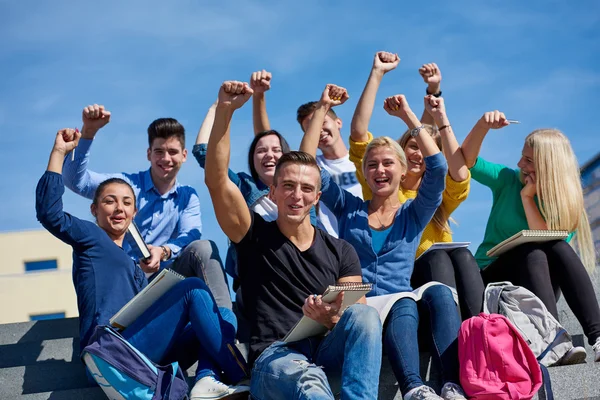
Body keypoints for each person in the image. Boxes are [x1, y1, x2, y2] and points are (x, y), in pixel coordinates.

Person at [36, 129, 248, 399]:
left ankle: (206, 379)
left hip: (146, 352)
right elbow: (48, 212)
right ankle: (242, 373)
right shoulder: (91, 237)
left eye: (126, 203)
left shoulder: (133, 263)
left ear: (134, 213)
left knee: (225, 315)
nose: (118, 208)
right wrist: (58, 153)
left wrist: (143, 276)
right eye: (109, 201)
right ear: (94, 209)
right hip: (111, 352)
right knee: (193, 288)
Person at [205, 80, 382, 400]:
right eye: (287, 186)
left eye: (305, 188)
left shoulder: (341, 250)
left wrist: (330, 318)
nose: (296, 195)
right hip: (276, 358)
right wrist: (226, 113)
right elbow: (216, 180)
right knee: (309, 381)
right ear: (272, 192)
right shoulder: (251, 233)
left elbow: (358, 316)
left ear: (317, 197)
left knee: (365, 315)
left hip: (325, 352)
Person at [300, 83, 466, 400]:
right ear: (364, 172)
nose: (380, 169)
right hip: (360, 309)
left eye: (388, 163)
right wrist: (321, 108)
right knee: (404, 300)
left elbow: (439, 167)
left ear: (402, 171)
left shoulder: (413, 212)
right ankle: (414, 387)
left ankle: (450, 383)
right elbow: (307, 165)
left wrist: (408, 117)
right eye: (372, 164)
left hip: (401, 314)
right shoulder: (349, 209)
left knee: (438, 292)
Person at [348, 51, 483, 320]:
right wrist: (377, 73)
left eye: (426, 151)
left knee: (463, 256)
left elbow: (457, 173)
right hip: (404, 280)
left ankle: (479, 329)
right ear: (400, 150)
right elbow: (359, 135)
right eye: (413, 146)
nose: (419, 154)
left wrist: (436, 103)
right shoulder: (383, 185)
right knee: (437, 259)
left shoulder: (437, 194)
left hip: (445, 274)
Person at [62, 105, 232, 313]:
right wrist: (88, 133)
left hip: (167, 279)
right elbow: (74, 181)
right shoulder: (124, 186)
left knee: (204, 247)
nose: (166, 159)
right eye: (159, 152)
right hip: (125, 278)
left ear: (184, 155)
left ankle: (226, 325)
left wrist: (164, 251)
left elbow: (191, 234)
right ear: (149, 154)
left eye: (173, 152)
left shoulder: (188, 197)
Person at [461, 111, 600, 362]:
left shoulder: (565, 201)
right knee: (534, 251)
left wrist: (528, 198)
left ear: (548, 167)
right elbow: (467, 161)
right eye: (522, 156)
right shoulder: (506, 179)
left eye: (528, 160)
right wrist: (483, 125)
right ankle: (552, 340)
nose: (519, 164)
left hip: (535, 281)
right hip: (493, 279)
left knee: (554, 247)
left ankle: (597, 337)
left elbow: (545, 240)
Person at [252, 70, 363, 237]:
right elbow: (267, 141)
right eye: (311, 128)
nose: (319, 131)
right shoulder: (311, 166)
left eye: (321, 122)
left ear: (338, 123)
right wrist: (258, 95)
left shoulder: (365, 160)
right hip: (332, 243)